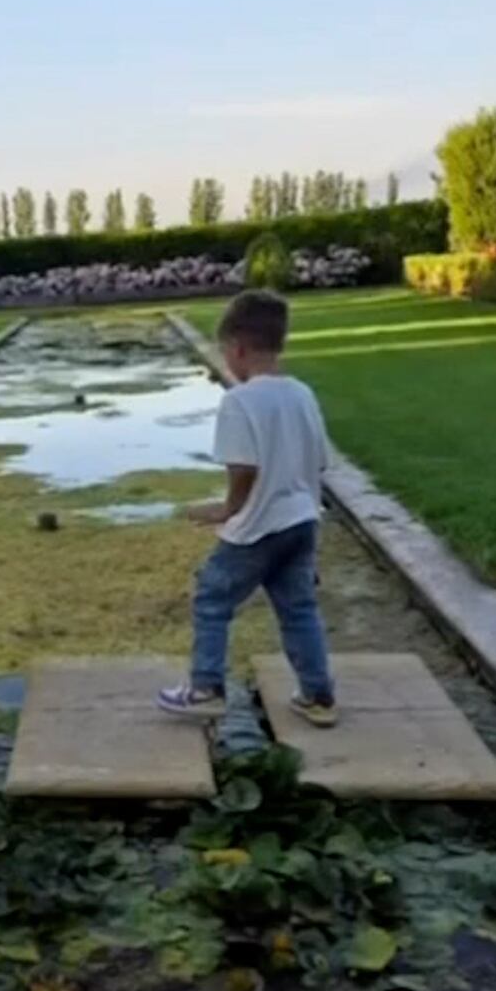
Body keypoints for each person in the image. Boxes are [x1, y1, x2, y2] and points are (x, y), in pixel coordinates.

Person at [159, 288, 337, 726]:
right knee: (298, 609)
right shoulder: (302, 394)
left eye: (226, 354)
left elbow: (244, 468)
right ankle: (318, 695)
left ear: (237, 348)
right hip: (302, 520)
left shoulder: (239, 401)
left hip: (258, 526)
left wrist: (226, 510)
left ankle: (205, 688)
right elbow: (321, 460)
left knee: (211, 597)